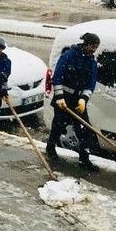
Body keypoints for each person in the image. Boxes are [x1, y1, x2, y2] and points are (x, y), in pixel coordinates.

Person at [46, 32, 100, 171]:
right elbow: (57, 77)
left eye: (96, 47)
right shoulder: (69, 56)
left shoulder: (92, 62)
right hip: (63, 98)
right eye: (92, 46)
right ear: (85, 44)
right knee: (59, 125)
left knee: (85, 129)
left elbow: (91, 83)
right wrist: (60, 97)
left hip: (78, 101)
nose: (93, 50)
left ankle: (84, 158)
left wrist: (83, 99)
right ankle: (50, 147)